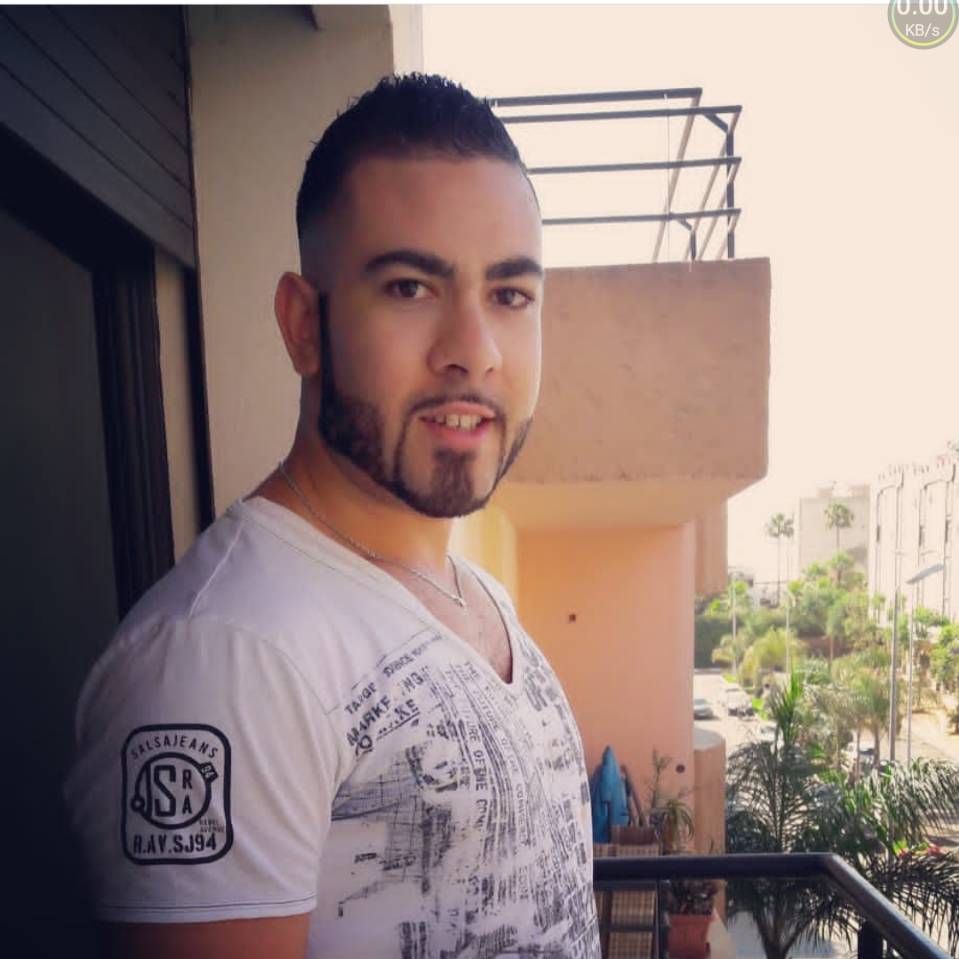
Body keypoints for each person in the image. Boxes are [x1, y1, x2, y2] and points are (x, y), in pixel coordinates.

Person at [66, 73, 600, 959]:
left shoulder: (476, 595)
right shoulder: (223, 659)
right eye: (410, 287)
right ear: (302, 324)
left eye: (509, 295)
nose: (474, 351)